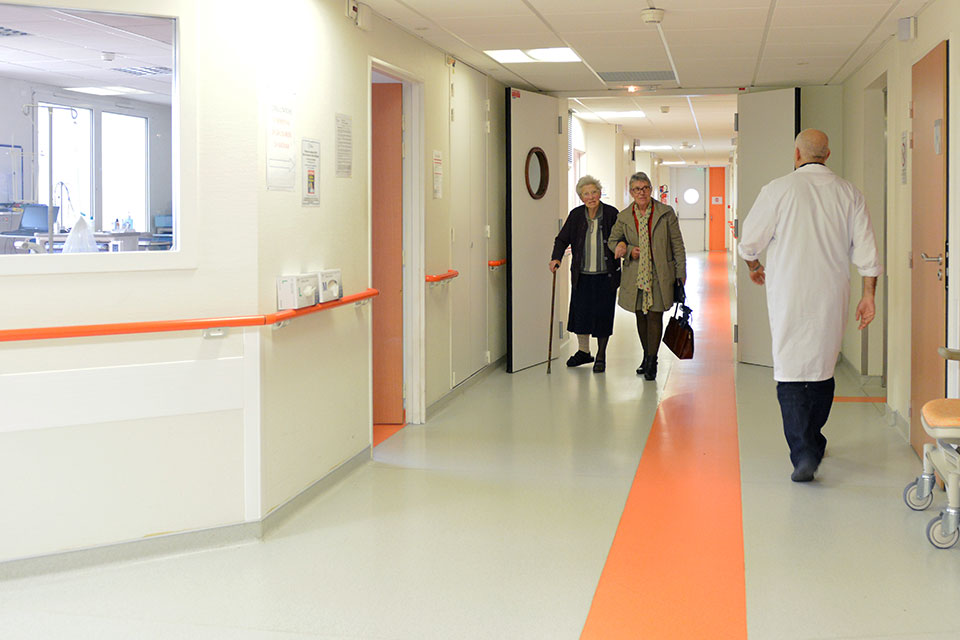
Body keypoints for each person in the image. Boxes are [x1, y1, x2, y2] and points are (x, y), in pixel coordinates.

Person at [738, 129, 882, 483]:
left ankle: (804, 451)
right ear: (827, 154)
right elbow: (866, 251)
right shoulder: (849, 193)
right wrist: (869, 295)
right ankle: (812, 440)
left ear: (797, 155)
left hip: (788, 291)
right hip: (831, 294)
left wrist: (755, 268)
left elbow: (749, 243)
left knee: (789, 368)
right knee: (822, 366)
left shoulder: (778, 190)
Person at [608, 171, 686, 381]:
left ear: (651, 190)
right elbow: (612, 240)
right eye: (636, 189)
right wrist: (628, 247)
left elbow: (677, 244)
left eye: (645, 188)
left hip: (660, 274)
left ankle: (652, 361)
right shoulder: (624, 216)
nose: (641, 192)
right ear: (631, 192)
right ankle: (646, 355)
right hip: (636, 275)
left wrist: (681, 272)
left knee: (655, 315)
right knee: (640, 316)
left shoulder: (665, 213)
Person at [549, 175, 621, 373]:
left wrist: (622, 245)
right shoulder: (576, 215)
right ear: (581, 197)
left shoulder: (611, 214)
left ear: (600, 193)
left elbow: (622, 236)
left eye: (594, 192)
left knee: (603, 315)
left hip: (606, 275)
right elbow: (562, 239)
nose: (591, 197)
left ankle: (601, 355)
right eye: (586, 194)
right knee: (581, 314)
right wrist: (556, 258)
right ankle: (584, 352)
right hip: (582, 275)